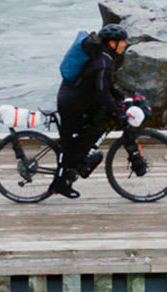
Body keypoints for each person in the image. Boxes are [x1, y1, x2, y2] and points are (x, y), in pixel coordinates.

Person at [53, 23, 129, 197]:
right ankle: (60, 183)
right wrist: (118, 112)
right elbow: (102, 92)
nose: (125, 45)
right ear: (112, 43)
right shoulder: (104, 61)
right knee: (72, 145)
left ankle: (79, 163)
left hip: (77, 100)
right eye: (122, 41)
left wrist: (120, 99)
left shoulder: (103, 58)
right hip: (71, 104)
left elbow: (106, 86)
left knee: (91, 131)